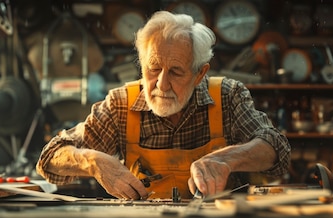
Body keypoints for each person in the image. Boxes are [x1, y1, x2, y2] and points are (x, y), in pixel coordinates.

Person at [36, 11, 290, 200]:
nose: (161, 84)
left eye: (176, 72)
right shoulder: (120, 105)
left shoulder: (227, 97)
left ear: (199, 74)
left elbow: (277, 149)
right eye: (153, 68)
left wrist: (227, 159)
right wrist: (92, 161)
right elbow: (50, 159)